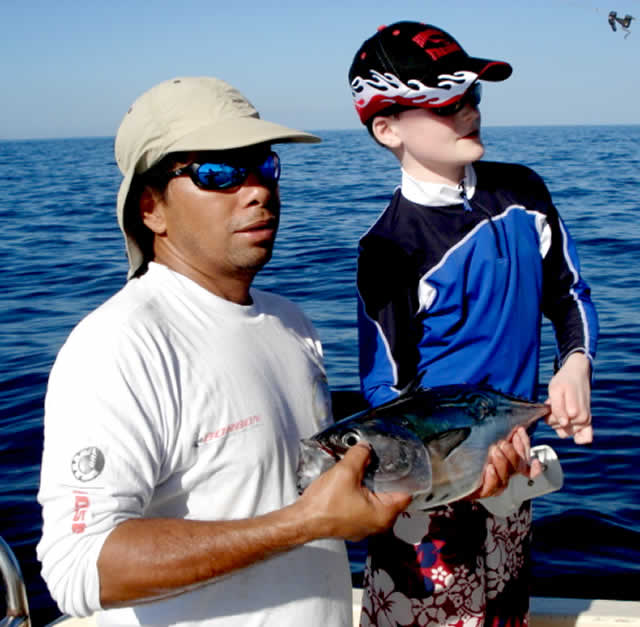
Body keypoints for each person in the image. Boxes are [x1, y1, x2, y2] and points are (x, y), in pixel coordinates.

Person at [36, 76, 415, 627]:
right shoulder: (118, 345)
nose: (257, 189)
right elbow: (80, 569)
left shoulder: (291, 322)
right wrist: (303, 524)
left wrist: (453, 468)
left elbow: (296, 490)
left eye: (265, 166)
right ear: (151, 208)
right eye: (218, 172)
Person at [348, 21, 599, 626]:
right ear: (386, 128)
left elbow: (568, 293)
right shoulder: (388, 250)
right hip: (427, 510)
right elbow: (386, 391)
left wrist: (575, 363)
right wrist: (451, 470)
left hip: (512, 480)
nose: (467, 111)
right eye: (444, 103)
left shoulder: (524, 191)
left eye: (471, 97)